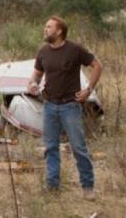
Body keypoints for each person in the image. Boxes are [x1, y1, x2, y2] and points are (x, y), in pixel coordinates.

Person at [27, 16, 103, 200]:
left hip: (70, 106)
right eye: (45, 26)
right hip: (49, 105)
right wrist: (32, 84)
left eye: (49, 27)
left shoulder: (74, 50)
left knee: (78, 148)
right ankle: (52, 186)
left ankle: (88, 187)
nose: (45, 29)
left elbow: (97, 66)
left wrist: (88, 90)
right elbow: (36, 75)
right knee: (50, 147)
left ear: (59, 31)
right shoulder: (43, 51)